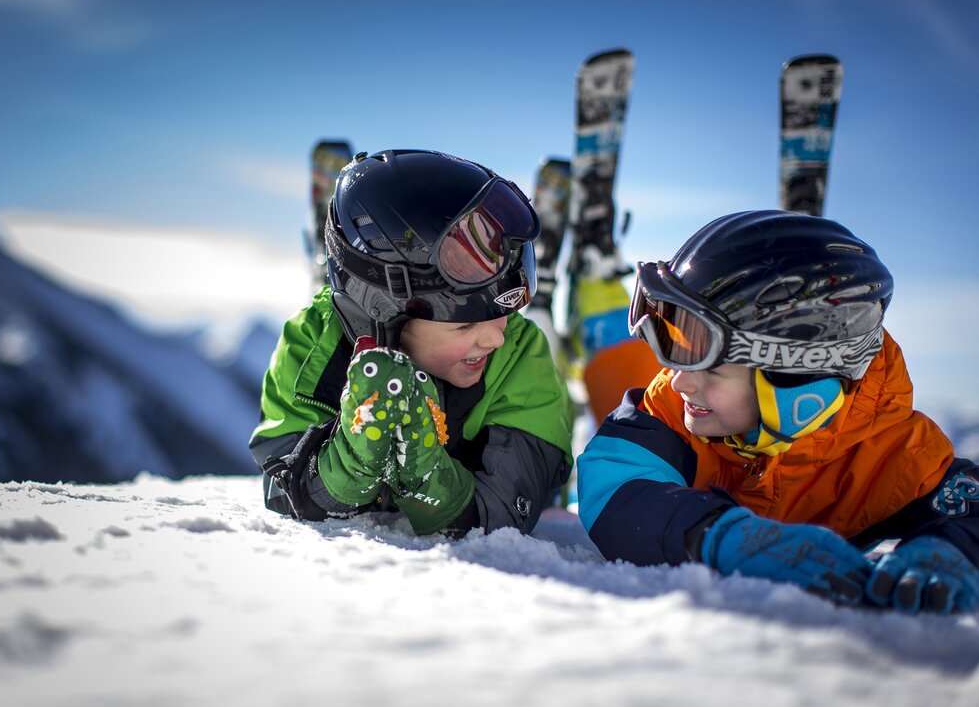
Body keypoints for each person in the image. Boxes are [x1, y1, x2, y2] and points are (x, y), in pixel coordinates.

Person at [576, 209, 979, 614]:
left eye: (712, 369)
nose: (680, 381)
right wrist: (715, 534)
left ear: (800, 388)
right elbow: (614, 482)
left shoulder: (894, 454)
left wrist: (950, 548)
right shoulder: (674, 407)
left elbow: (968, 506)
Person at [252, 149, 573, 537]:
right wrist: (349, 464)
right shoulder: (310, 346)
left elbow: (504, 510)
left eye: (503, 313)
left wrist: (428, 474)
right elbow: (283, 486)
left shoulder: (520, 353)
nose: (496, 336)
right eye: (465, 324)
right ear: (384, 313)